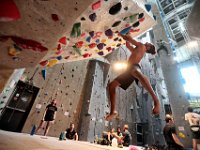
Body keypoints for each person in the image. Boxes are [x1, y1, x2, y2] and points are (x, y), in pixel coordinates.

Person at [106, 34, 160, 120]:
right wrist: (127, 38)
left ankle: (156, 101)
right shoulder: (138, 49)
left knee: (138, 74)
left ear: (148, 48)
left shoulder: (141, 45)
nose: (147, 42)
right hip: (128, 71)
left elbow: (129, 39)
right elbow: (128, 45)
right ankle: (113, 112)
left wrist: (121, 33)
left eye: (149, 43)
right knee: (112, 86)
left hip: (134, 66)